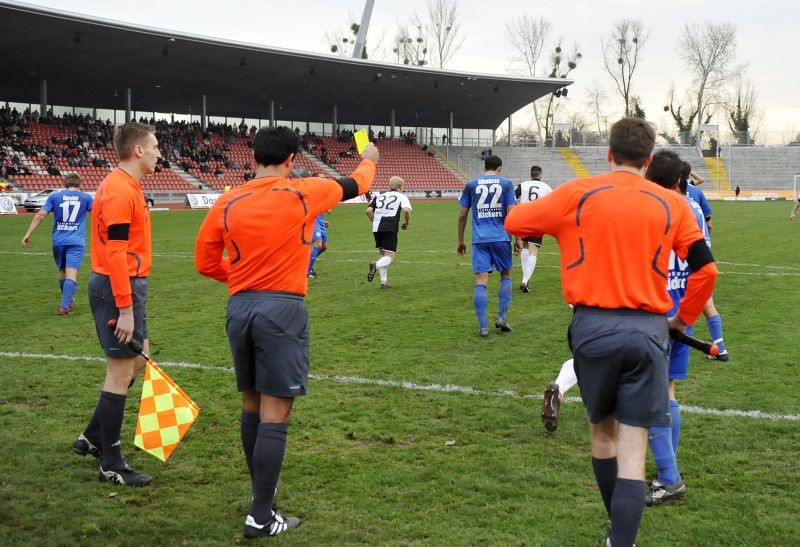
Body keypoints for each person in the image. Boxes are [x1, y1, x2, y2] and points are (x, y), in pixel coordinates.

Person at [505, 117, 718, 547]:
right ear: (649, 158)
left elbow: (515, 222)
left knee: (604, 439)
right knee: (634, 455)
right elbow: (706, 270)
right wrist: (682, 320)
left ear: (608, 153)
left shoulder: (577, 193)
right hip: (648, 331)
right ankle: (622, 539)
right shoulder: (673, 203)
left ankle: (618, 533)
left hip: (592, 327)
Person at [194, 127, 379, 539]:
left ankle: (262, 495)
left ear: (254, 157)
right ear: (292, 160)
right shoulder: (304, 191)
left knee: (251, 403)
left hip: (240, 308)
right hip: (282, 308)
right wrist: (370, 157)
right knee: (276, 411)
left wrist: (241, 278)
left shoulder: (226, 200)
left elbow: (204, 262)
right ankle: (261, 515)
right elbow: (359, 183)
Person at [72, 122, 162, 487]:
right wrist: (124, 309)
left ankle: (92, 436)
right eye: (155, 146)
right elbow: (116, 253)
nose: (158, 153)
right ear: (138, 150)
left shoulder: (127, 185)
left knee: (140, 359)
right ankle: (111, 462)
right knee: (120, 373)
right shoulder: (119, 190)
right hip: (117, 288)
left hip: (125, 286)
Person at [642, 149, 711, 506]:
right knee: (667, 391)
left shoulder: (649, 207)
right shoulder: (693, 207)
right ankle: (667, 467)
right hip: (683, 308)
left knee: (649, 396)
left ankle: (669, 477)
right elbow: (704, 263)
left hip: (654, 311)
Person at [457, 155, 518, 337]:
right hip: (501, 237)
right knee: (506, 275)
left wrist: (460, 240)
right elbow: (512, 212)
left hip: (480, 239)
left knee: (481, 281)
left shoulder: (471, 184)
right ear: (499, 168)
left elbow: (462, 214)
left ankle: (483, 328)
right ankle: (501, 318)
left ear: (485, 167)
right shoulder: (506, 183)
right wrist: (518, 238)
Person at [21, 173, 93, 315]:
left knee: (62, 271)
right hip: (76, 241)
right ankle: (64, 306)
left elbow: (40, 215)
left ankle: (68, 300)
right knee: (72, 272)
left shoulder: (55, 197)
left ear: (65, 183)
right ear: (80, 183)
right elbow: (98, 215)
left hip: (58, 240)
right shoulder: (86, 198)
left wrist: (28, 234)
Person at [681, 162, 729, 361]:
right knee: (707, 303)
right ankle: (721, 349)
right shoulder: (695, 199)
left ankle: (678, 351)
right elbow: (709, 224)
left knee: (678, 303)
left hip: (685, 258)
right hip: (702, 257)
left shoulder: (677, 203)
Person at [366, 175, 412, 289]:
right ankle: (375, 265)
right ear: (400, 187)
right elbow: (406, 211)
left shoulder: (379, 196)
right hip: (390, 227)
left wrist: (375, 221)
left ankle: (384, 282)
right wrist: (407, 223)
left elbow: (369, 211)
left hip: (377, 228)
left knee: (383, 255)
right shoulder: (401, 196)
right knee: (390, 257)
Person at [514, 165, 552, 293]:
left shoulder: (523, 185)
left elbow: (512, 196)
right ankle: (525, 280)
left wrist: (517, 206)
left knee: (525, 246)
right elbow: (553, 202)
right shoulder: (546, 187)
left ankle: (525, 279)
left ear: (531, 175)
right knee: (533, 250)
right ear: (540, 175)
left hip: (524, 218)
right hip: (537, 220)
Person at [308, 173, 331, 279]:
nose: (324, 179)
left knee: (324, 247)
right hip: (313, 221)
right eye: (322, 178)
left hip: (320, 220)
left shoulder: (321, 193)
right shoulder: (312, 191)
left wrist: (323, 220)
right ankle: (307, 271)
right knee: (318, 245)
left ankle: (307, 262)